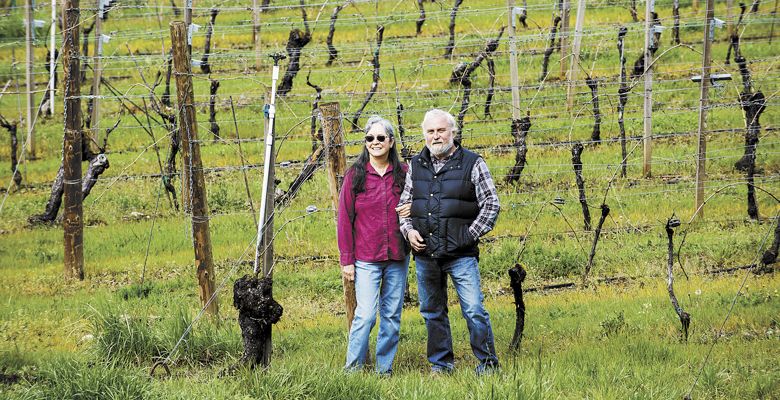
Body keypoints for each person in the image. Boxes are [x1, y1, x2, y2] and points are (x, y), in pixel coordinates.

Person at [397, 108, 500, 375]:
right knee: (432, 311)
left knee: (474, 310)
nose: (436, 136)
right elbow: (403, 206)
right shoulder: (416, 165)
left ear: (452, 132)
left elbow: (491, 204)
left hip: (461, 255)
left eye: (441, 130)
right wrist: (408, 232)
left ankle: (488, 365)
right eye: (430, 131)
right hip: (426, 254)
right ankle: (441, 365)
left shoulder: (472, 163)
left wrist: (467, 235)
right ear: (424, 135)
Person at [337, 115, 410, 375]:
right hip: (366, 258)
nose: (375, 142)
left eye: (381, 138)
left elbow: (419, 205)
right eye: (370, 138)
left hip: (397, 256)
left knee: (391, 317)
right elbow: (345, 218)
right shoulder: (355, 175)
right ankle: (352, 371)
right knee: (365, 315)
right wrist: (347, 260)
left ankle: (383, 371)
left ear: (391, 141)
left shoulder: (404, 173)